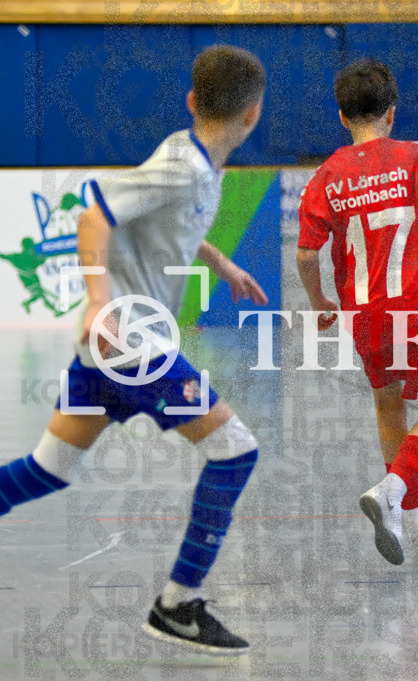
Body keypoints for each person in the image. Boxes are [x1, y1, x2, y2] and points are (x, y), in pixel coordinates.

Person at [0, 45, 268, 656]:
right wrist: (100, 300)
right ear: (253, 114)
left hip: (110, 351)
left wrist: (222, 264)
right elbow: (93, 216)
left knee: (47, 469)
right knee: (235, 452)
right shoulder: (184, 166)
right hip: (130, 343)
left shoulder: (193, 160)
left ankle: (178, 605)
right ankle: (178, 606)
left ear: (192, 101)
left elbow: (167, 223)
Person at [296, 59, 418, 566]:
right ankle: (393, 489)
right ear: (392, 113)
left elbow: (307, 255)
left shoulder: (327, 175)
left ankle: (416, 524)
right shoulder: (417, 155)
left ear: (341, 116)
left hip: (364, 315)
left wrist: (319, 302)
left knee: (389, 404)